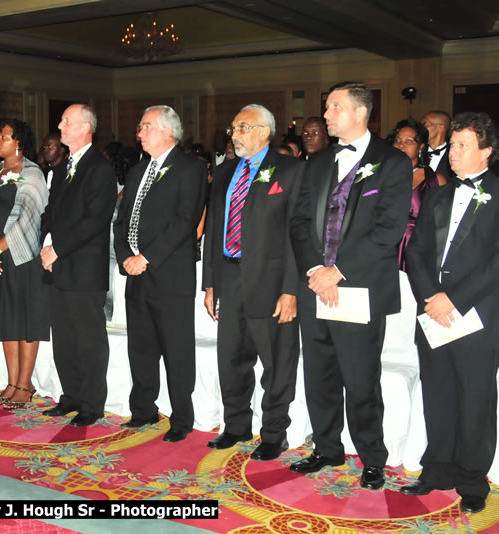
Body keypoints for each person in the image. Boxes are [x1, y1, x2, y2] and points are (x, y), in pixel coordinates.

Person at [288, 82, 411, 489]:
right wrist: (313, 271)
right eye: (326, 107)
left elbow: (388, 230)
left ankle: (372, 457)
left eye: (334, 107)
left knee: (360, 378)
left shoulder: (391, 163)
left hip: (357, 287)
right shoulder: (317, 162)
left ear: (360, 113)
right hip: (315, 286)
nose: (326, 115)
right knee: (319, 373)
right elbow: (300, 222)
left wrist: (337, 271)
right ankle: (327, 447)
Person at [403, 112, 499, 515]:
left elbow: (496, 262)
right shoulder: (438, 195)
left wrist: (453, 300)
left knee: (475, 398)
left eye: (462, 146)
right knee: (437, 393)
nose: (453, 152)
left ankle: (473, 478)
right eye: (453, 144)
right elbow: (416, 251)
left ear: (486, 152)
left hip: (476, 315)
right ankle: (437, 468)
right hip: (432, 313)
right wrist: (431, 297)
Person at [202, 104, 303, 459]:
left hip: (273, 282)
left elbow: (298, 235)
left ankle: (274, 433)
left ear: (264, 131)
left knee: (277, 361)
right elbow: (214, 230)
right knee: (231, 357)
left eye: (243, 127)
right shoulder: (226, 171)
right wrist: (210, 283)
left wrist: (291, 289)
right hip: (229, 275)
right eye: (233, 128)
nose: (235, 134)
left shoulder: (291, 170)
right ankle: (236, 426)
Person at [113, 105, 207, 443]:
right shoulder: (138, 170)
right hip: (135, 272)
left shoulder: (191, 168)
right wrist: (125, 255)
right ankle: (143, 409)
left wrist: (146, 257)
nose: (139, 133)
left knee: (176, 349)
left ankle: (182, 417)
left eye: (146, 126)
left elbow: (185, 221)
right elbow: (122, 219)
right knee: (141, 346)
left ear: (168, 131)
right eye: (140, 128)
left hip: (169, 275)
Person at [39, 104, 116, 427]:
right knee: (65, 337)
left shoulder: (100, 168)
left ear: (85, 127)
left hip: (84, 269)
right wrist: (45, 245)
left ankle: (91, 402)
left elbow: (94, 221)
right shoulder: (61, 168)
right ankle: (70, 395)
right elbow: (50, 213)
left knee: (89, 339)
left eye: (66, 121)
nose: (60, 125)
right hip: (58, 266)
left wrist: (58, 248)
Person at [0, 119, 48, 410]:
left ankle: (25, 383)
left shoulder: (31, 173)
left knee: (24, 320)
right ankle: (12, 380)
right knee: (6, 320)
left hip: (21, 257)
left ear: (18, 142)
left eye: (3, 137)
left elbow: (29, 217)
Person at [387, 118, 446, 270]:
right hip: (386, 247)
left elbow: (443, 225)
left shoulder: (435, 180)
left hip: (419, 249)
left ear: (421, 147)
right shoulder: (382, 176)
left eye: (409, 141)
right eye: (397, 140)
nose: (401, 145)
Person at [421, 110, 453, 180]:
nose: (420, 128)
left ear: (440, 128)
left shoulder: (454, 154)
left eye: (425, 124)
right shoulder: (418, 152)